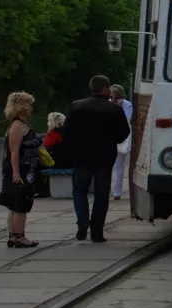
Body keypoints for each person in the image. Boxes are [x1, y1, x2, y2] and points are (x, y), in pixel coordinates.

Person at [65, 75, 131, 242]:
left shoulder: (76, 106)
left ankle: (82, 221)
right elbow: (124, 133)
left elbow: (67, 132)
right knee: (102, 194)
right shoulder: (114, 109)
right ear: (105, 88)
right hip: (104, 157)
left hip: (81, 156)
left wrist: (75, 147)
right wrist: (111, 140)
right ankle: (97, 233)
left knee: (79, 189)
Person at [0, 92, 41, 248]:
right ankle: (19, 237)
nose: (31, 109)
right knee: (20, 203)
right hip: (19, 169)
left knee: (16, 203)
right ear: (22, 107)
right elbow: (14, 151)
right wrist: (16, 173)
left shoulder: (22, 124)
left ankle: (14, 236)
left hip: (26, 168)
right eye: (29, 105)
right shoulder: (16, 126)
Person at [110, 84, 133, 200]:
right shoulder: (108, 103)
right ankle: (107, 188)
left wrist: (119, 108)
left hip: (121, 138)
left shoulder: (127, 105)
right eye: (111, 97)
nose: (112, 99)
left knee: (119, 165)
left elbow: (126, 119)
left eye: (114, 97)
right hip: (109, 136)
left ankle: (117, 191)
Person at [41, 112, 72, 197]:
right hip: (72, 160)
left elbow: (47, 146)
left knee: (39, 164)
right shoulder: (69, 131)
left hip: (60, 161)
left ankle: (43, 190)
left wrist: (48, 133)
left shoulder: (53, 133)